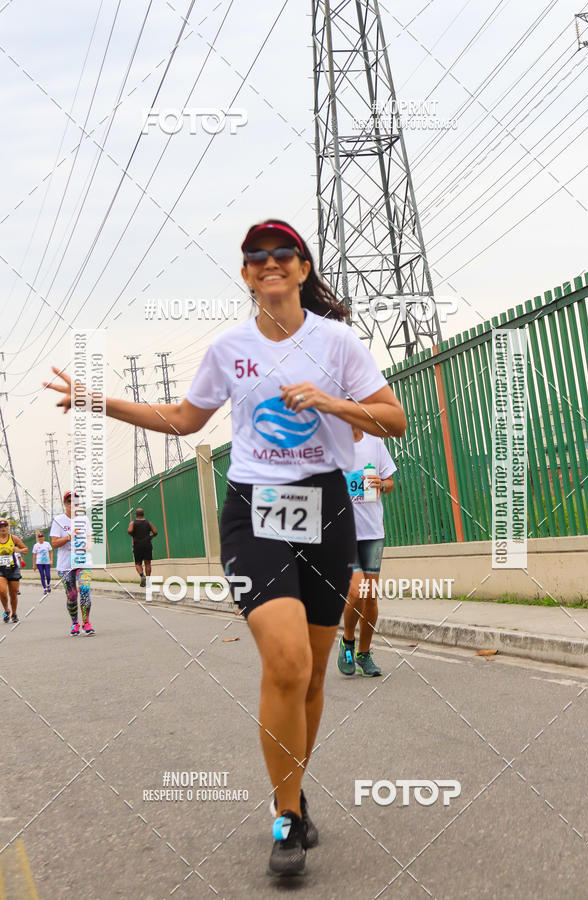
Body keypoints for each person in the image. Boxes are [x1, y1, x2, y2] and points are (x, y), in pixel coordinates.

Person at [45, 218, 406, 877]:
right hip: (255, 510)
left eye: (282, 254)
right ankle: (287, 820)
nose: (269, 263)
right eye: (255, 257)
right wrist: (99, 401)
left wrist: (332, 401)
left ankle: (291, 796)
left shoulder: (338, 343)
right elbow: (184, 420)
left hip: (326, 508)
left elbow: (393, 418)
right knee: (288, 661)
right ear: (246, 275)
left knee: (317, 671)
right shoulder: (229, 348)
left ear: (301, 268)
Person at [338, 427, 396, 677]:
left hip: (373, 533)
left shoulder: (375, 443)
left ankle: (363, 653)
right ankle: (347, 641)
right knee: (356, 591)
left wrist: (381, 484)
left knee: (370, 597)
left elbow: (391, 483)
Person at [50, 491, 94, 636]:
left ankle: (86, 622)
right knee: (72, 595)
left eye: (75, 501)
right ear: (65, 504)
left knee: (85, 590)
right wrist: (69, 536)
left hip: (83, 561)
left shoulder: (84, 520)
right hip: (65, 565)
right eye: (69, 501)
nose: (72, 504)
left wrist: (88, 546)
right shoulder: (59, 520)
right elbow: (55, 543)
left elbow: (91, 538)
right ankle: (75, 623)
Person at [0, 518, 28, 623]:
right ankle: (6, 610)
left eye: (5, 526)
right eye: (0, 527)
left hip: (13, 569)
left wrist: (18, 550)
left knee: (13, 593)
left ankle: (14, 613)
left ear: (8, 528)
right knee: (2, 591)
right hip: (0, 569)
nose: (3, 529)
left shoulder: (14, 538)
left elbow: (25, 550)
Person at [127, 508, 158, 586]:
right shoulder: (148, 523)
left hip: (137, 545)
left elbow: (129, 531)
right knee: (148, 563)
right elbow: (155, 532)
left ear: (136, 515)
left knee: (138, 563)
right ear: (143, 514)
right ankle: (147, 581)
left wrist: (133, 535)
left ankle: (142, 576)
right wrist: (151, 536)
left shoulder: (133, 523)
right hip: (147, 545)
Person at [32, 529, 53, 595]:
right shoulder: (36, 545)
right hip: (39, 563)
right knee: (42, 575)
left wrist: (51, 560)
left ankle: (48, 585)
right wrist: (34, 565)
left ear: (43, 538)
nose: (40, 538)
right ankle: (45, 588)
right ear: (38, 538)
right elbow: (34, 555)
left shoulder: (47, 544)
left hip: (47, 562)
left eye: (42, 537)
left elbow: (51, 552)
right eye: (39, 537)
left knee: (48, 575)